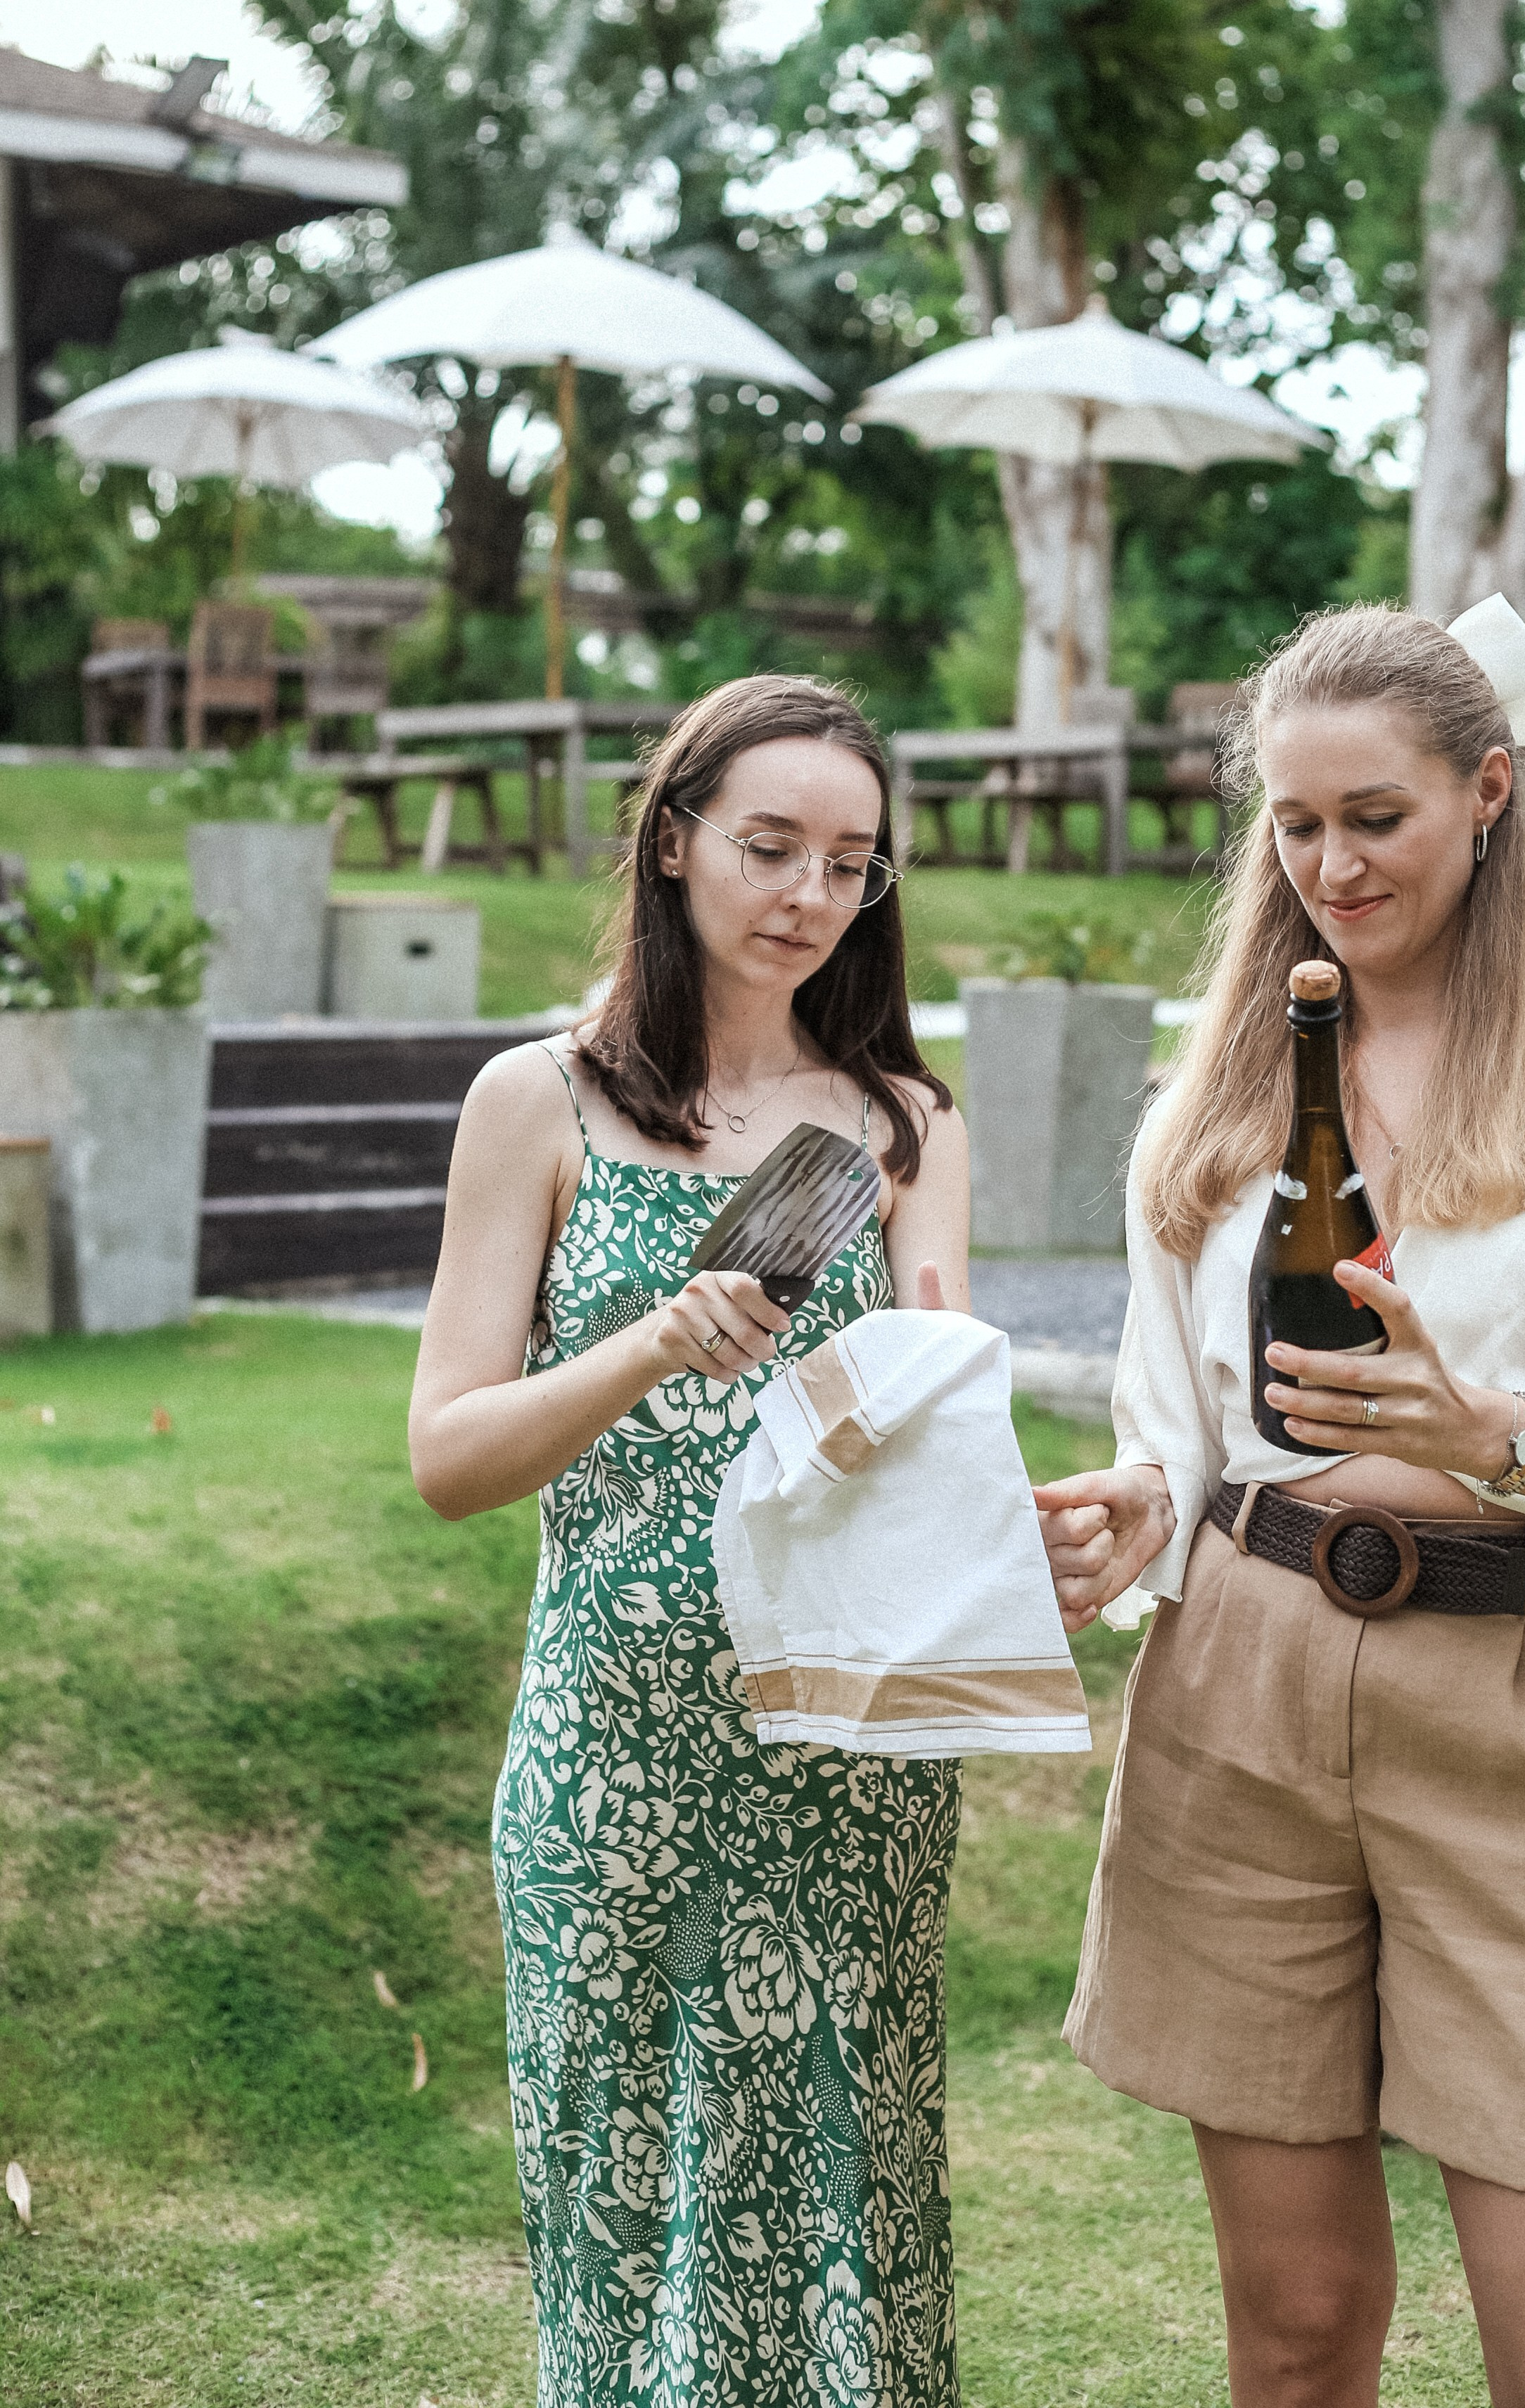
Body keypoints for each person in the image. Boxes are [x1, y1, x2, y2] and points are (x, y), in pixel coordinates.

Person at [1035, 603, 1525, 2408]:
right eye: (1292, 825)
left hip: (1507, 1684)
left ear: (1485, 794)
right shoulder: (1211, 1101)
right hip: (1239, 1687)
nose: (1326, 864)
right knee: (1295, 2339)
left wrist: (1493, 1433)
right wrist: (1137, 1505)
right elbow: (1178, 1428)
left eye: (1370, 817)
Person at [410, 676, 971, 2408]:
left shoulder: (899, 1128)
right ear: (672, 842)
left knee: (847, 2222)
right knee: (624, 2219)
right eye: (769, 847)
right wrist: (653, 1341)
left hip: (846, 1754)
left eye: (848, 863)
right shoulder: (540, 1103)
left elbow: (944, 1418)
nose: (807, 894)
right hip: (612, 1762)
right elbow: (446, 1457)